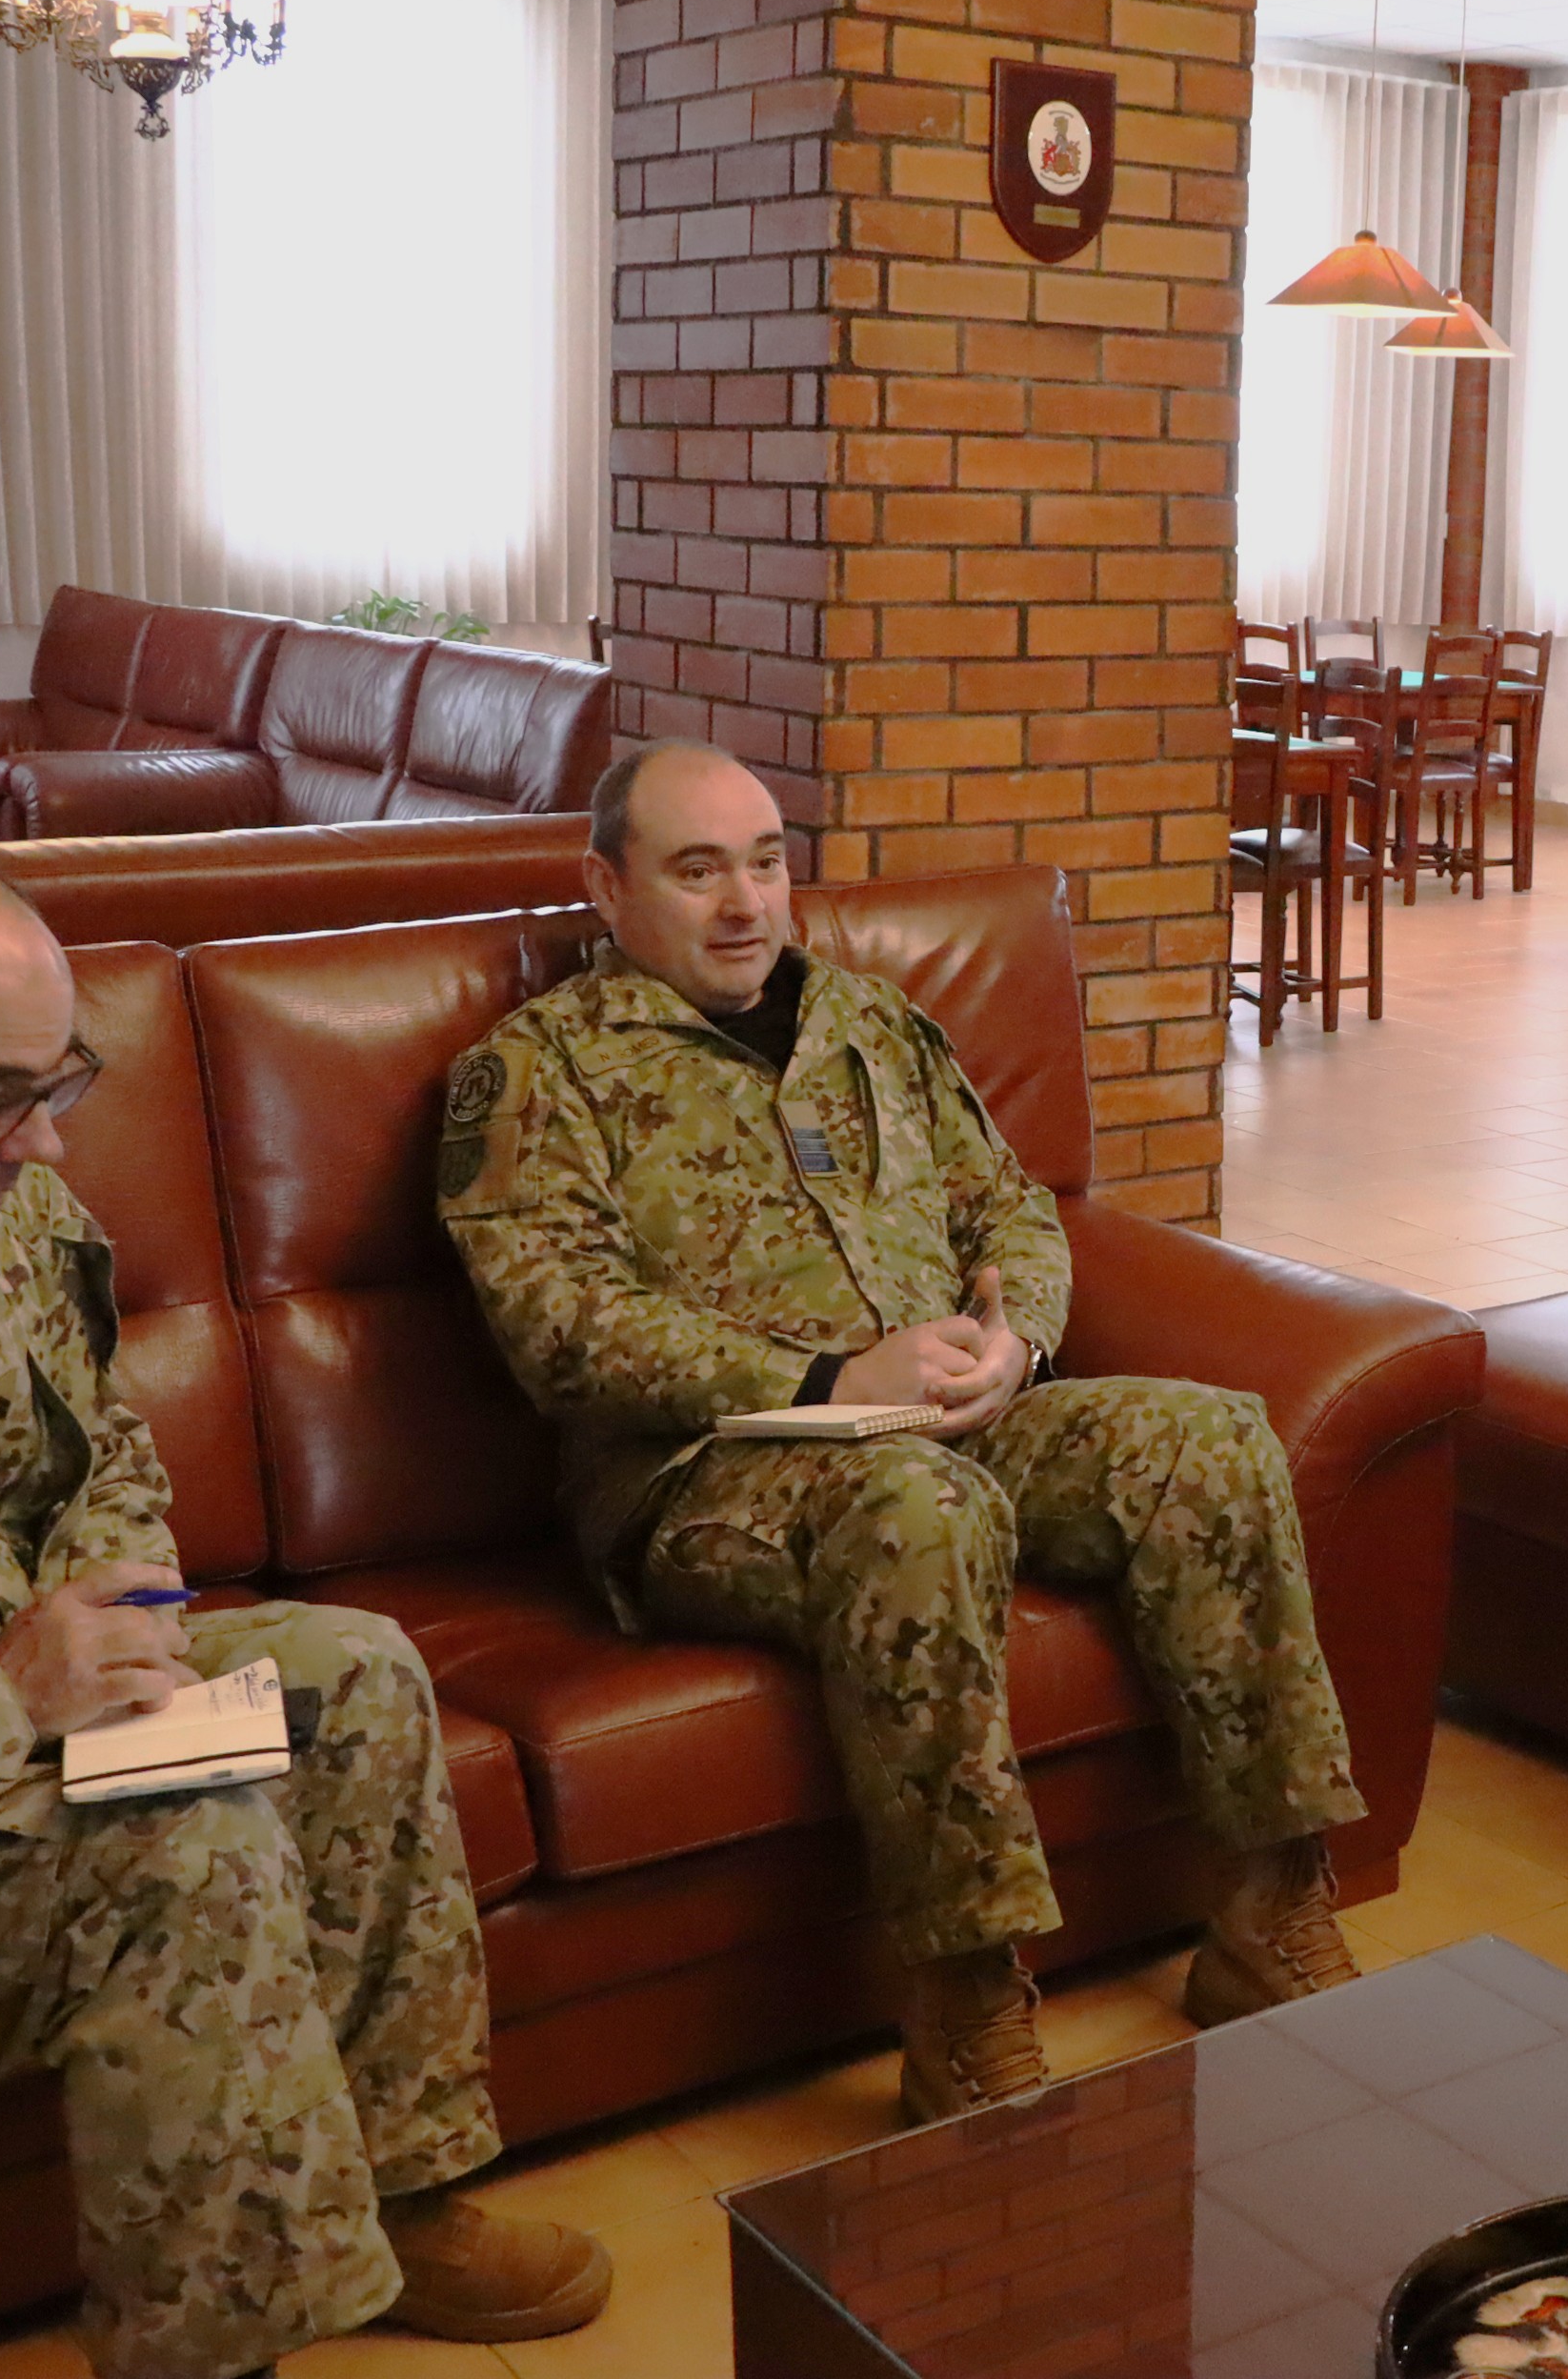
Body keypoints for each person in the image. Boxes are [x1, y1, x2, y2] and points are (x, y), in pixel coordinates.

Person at [0, 841, 608, 2379]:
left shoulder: (0, 1209)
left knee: (359, 1677)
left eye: (62, 1084)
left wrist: (121, 1619)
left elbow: (104, 1453)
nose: (44, 1143)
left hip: (3, 1730)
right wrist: (1, 1697)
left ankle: (411, 2193)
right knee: (181, 1843)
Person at [438, 741, 1365, 2124]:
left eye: (766, 863)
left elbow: (1013, 1206)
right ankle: (968, 2003)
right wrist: (828, 1379)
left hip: (957, 1421)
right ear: (608, 887)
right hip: (714, 1476)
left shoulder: (870, 1023)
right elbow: (560, 1325)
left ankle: (1271, 1908)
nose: (745, 902)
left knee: (1213, 1441)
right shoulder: (536, 1071)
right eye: (697, 871)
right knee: (922, 1510)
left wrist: (1017, 1339)